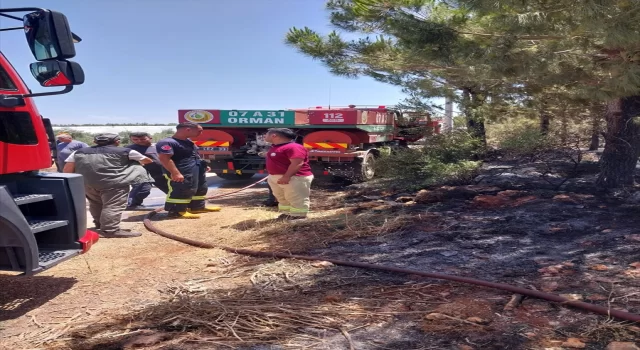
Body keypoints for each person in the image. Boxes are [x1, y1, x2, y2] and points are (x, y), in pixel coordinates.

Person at [63, 133, 153, 238]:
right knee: (113, 206)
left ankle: (100, 225)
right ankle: (110, 230)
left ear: (94, 142)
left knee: (96, 204)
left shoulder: (78, 152)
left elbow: (67, 169)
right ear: (117, 142)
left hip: (88, 183)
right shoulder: (125, 151)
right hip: (115, 184)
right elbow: (147, 160)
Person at [156, 122, 221, 219]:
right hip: (181, 170)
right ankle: (177, 211)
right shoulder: (167, 142)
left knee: (200, 188)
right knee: (182, 189)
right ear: (188, 129)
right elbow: (165, 158)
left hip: (194, 168)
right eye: (199, 131)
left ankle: (197, 207)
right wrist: (175, 173)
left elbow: (193, 155)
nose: (201, 133)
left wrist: (202, 165)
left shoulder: (188, 141)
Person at [264, 128, 314, 220]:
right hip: (279, 178)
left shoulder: (294, 147)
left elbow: (297, 163)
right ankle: (286, 214)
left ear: (274, 135)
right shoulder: (275, 147)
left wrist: (286, 176)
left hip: (294, 178)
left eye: (266, 134)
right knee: (282, 198)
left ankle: (299, 217)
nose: (264, 136)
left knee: (296, 198)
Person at [125, 132, 169, 210]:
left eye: (142, 139)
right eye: (135, 139)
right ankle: (133, 205)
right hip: (142, 174)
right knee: (142, 189)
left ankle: (174, 203)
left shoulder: (158, 146)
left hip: (160, 172)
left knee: (170, 189)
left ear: (150, 138)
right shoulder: (129, 149)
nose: (139, 141)